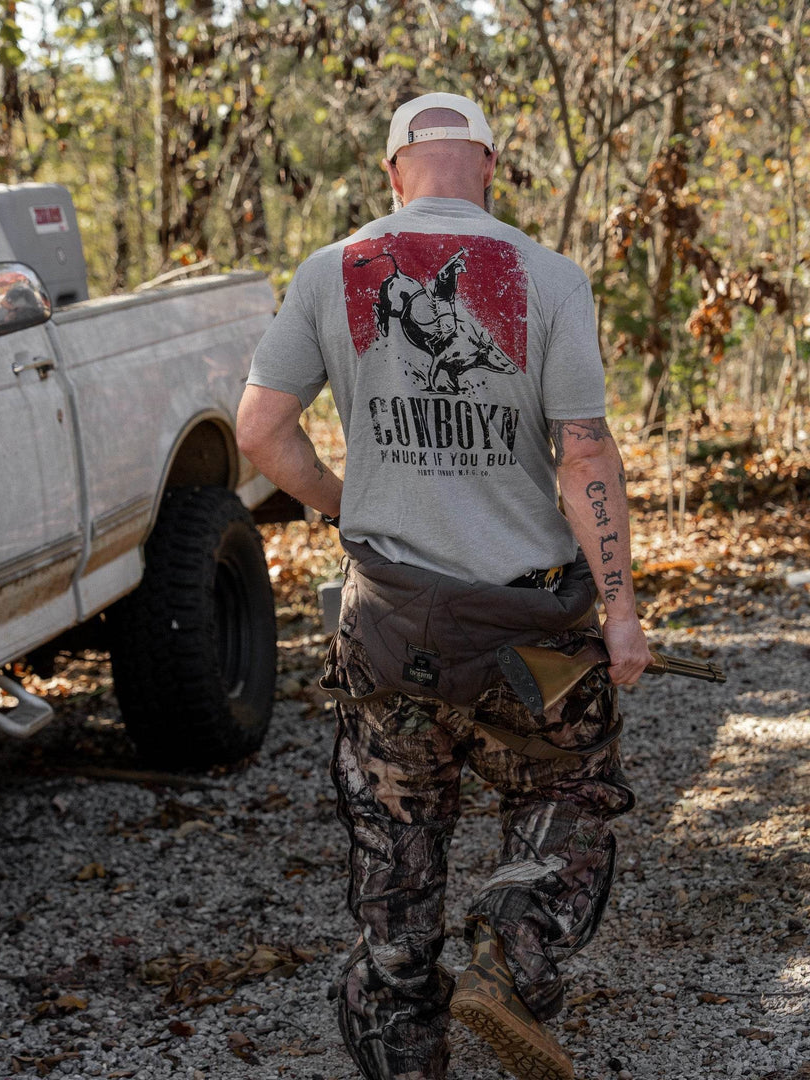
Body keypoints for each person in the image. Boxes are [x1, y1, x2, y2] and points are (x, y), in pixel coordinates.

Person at [236, 91, 653, 1080]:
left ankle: (404, 1030)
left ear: (394, 171)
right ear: (489, 167)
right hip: (533, 628)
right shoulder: (550, 278)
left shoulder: (330, 271)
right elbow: (584, 450)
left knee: (397, 858)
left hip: (389, 621)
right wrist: (625, 609)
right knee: (570, 798)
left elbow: (258, 430)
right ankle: (510, 950)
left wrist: (347, 504)